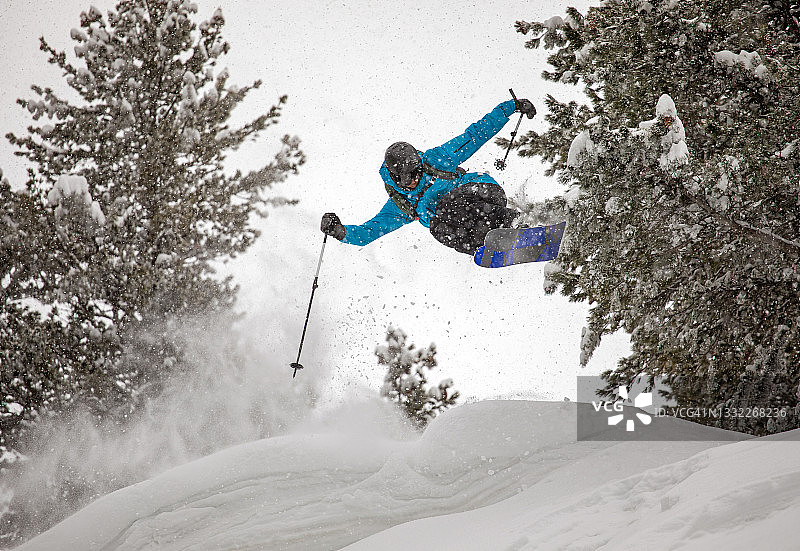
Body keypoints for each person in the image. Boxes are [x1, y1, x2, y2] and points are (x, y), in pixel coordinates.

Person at [320, 96, 536, 255]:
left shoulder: (436, 159)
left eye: (416, 173)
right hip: (470, 220)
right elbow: (370, 231)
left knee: (448, 205)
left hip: (481, 192)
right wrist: (340, 232)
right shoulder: (401, 204)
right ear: (396, 178)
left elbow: (476, 134)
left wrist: (510, 107)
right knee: (438, 228)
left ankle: (516, 221)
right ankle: (489, 245)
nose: (413, 179)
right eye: (407, 178)